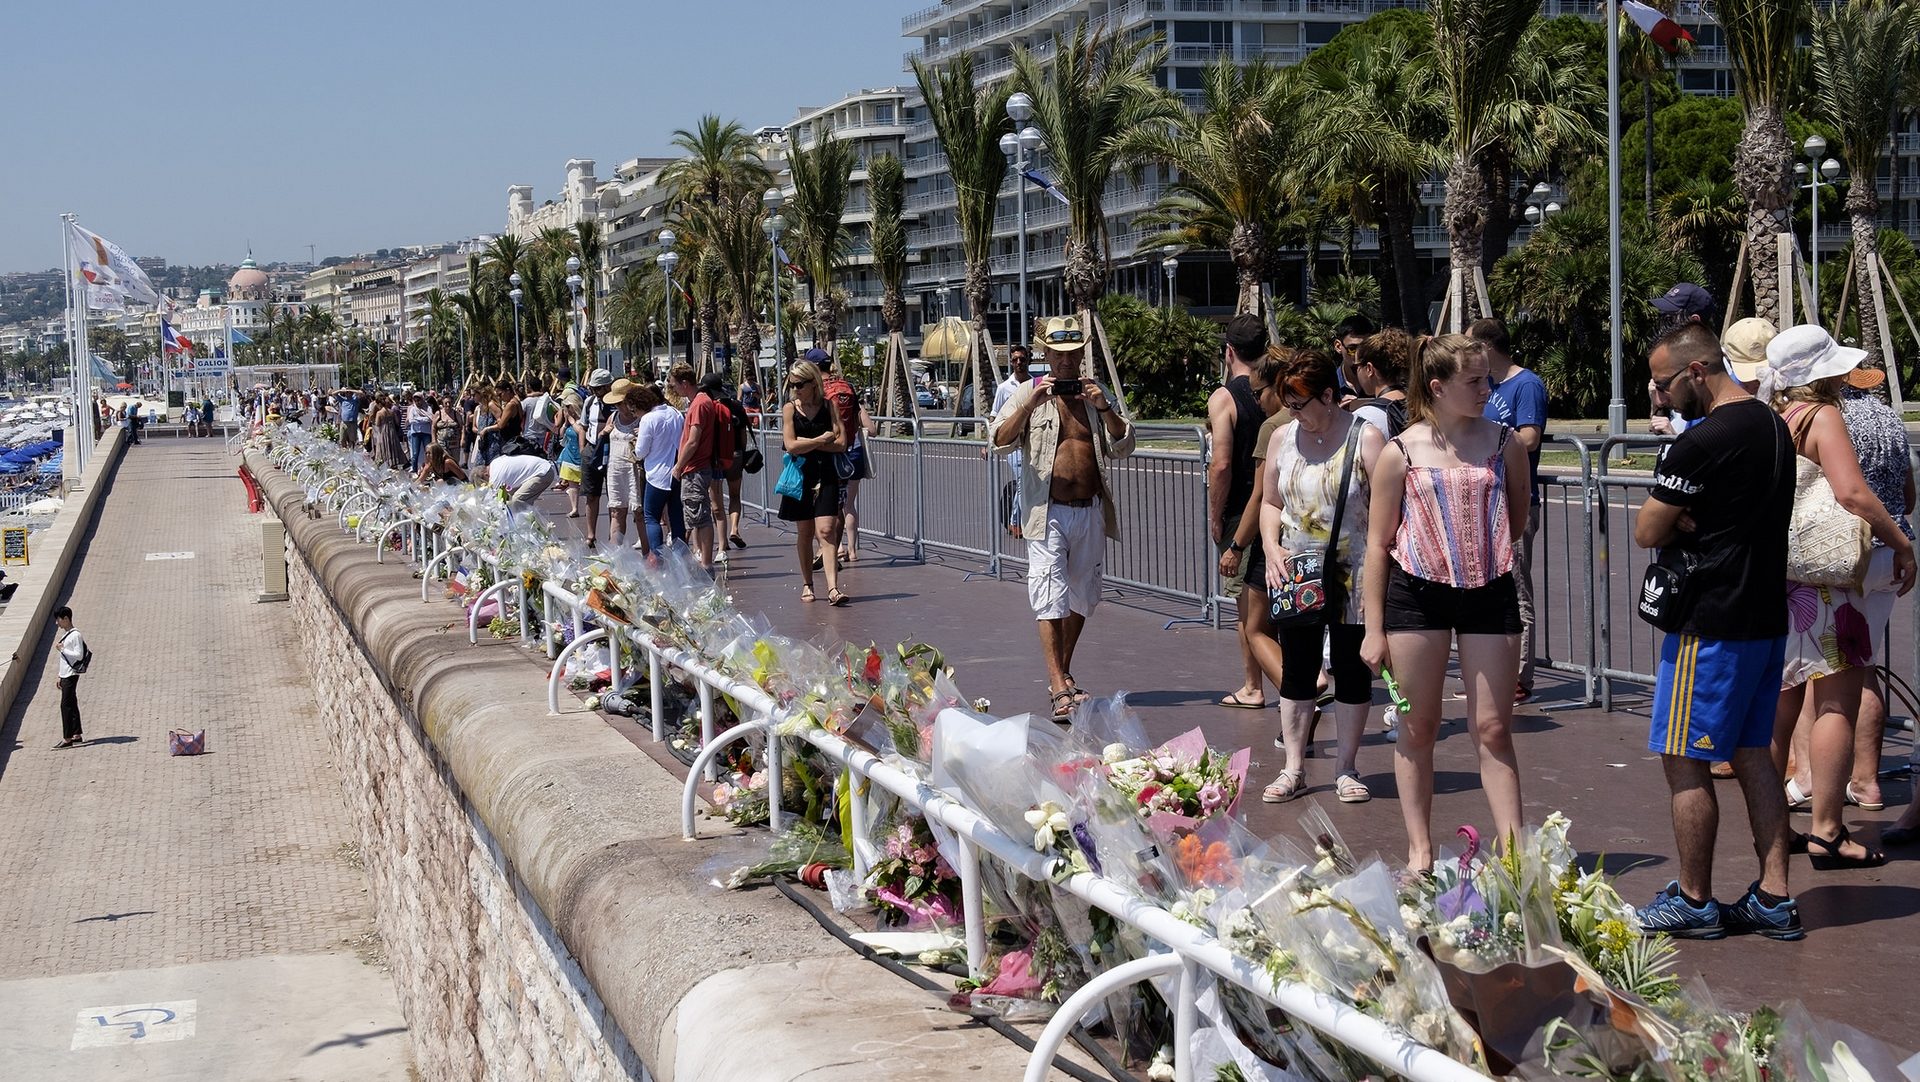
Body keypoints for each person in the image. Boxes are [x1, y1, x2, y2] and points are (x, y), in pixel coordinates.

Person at [1628, 323, 1803, 940]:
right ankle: (1774, 895)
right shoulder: (1773, 425)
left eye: (1663, 383)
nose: (1659, 395)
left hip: (1711, 622)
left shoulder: (1699, 443)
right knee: (1755, 755)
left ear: (1696, 371)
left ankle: (1696, 900)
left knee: (1683, 758)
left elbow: (1648, 530)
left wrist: (1680, 524)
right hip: (1763, 615)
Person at [1361, 333, 1529, 871]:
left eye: (1487, 378)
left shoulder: (1506, 444)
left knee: (1493, 727)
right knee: (1417, 724)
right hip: (1417, 596)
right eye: (1475, 380)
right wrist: (1372, 628)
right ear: (1437, 387)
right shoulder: (1400, 451)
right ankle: (1420, 850)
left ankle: (1516, 854)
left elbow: (1518, 520)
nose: (1488, 388)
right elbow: (1377, 542)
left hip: (1490, 590)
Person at [1761, 326, 1914, 871]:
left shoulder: (1772, 418)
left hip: (1784, 576)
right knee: (1836, 703)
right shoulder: (1822, 416)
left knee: (1781, 702)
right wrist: (1901, 543)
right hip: (1832, 579)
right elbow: (1851, 491)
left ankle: (1773, 825)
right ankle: (1827, 830)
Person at [989, 315, 1136, 722]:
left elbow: (1123, 445)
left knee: (1082, 598)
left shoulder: (1094, 393)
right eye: (1059, 354)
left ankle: (1064, 672)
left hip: (1088, 511)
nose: (1067, 362)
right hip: (1046, 513)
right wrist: (1028, 408)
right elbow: (998, 441)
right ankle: (1057, 685)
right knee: (1048, 595)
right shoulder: (1027, 392)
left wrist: (1103, 407)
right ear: (1046, 354)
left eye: (1074, 354)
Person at [1259, 349, 1385, 805]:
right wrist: (1272, 548)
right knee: (1297, 669)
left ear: (1328, 396)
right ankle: (1293, 766)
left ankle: (1347, 768)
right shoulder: (1283, 439)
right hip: (1297, 571)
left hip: (1355, 573)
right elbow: (1271, 502)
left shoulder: (1365, 438)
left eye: (1299, 404)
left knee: (1352, 671)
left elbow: (1386, 512)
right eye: (1287, 405)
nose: (1292, 414)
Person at [1468, 318, 1548, 704]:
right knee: (1485, 587)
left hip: (1514, 497)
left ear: (1486, 348)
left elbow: (1530, 437)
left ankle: (1519, 676)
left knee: (1516, 588)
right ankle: (1490, 670)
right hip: (1484, 498)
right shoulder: (1488, 386)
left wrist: (1490, 439)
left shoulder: (1525, 384)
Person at [1209, 315, 1273, 711]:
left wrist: (1216, 516)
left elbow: (1222, 464)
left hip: (1241, 511)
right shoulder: (1277, 389)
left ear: (1229, 351)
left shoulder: (1225, 397)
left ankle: (1254, 685)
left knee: (1247, 608)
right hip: (1279, 506)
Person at [779, 359, 849, 604]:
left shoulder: (829, 406)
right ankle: (807, 584)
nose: (795, 389)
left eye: (800, 384)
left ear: (813, 383)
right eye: (792, 384)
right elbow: (790, 445)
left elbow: (842, 443)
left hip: (826, 474)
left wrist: (809, 445)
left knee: (827, 530)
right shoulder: (789, 409)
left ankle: (833, 588)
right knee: (805, 532)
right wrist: (821, 440)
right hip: (800, 476)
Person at [672, 367, 735, 569]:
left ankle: (706, 563)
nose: (673, 389)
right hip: (697, 467)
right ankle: (702, 558)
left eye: (674, 384)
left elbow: (693, 440)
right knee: (697, 515)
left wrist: (679, 466)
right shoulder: (701, 402)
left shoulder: (699, 404)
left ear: (684, 383)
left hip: (695, 467)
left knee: (700, 515)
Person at [829, 360, 878, 565]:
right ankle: (852, 550)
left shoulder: (826, 398)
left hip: (836, 453)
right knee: (849, 505)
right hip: (855, 454)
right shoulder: (854, 404)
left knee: (833, 504)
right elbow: (873, 431)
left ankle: (837, 547)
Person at [633, 382, 687, 555]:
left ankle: (657, 557)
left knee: (651, 517)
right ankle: (681, 558)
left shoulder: (648, 419)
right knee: (676, 516)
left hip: (656, 474)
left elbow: (641, 451)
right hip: (676, 470)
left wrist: (635, 445)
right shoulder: (676, 413)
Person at [991, 343, 1036, 539]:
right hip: (1013, 445)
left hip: (1031, 443)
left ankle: (1030, 520)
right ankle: (1015, 521)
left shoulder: (1036, 384)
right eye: (1015, 360)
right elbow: (994, 417)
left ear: (1028, 361)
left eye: (1022, 359)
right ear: (1011, 363)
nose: (1019, 363)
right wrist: (989, 443)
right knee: (1021, 480)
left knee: (1031, 481)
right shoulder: (1004, 388)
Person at [574, 369, 616, 547]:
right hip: (592, 450)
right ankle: (591, 535)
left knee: (615, 497)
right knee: (591, 495)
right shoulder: (590, 402)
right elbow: (582, 426)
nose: (595, 392)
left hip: (613, 450)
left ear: (608, 386)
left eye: (598, 388)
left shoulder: (617, 402)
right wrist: (583, 449)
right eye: (593, 388)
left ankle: (613, 539)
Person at [603, 379, 643, 549]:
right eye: (616, 404)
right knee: (616, 511)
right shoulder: (613, 417)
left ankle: (648, 553)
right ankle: (615, 556)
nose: (618, 407)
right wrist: (603, 432)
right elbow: (603, 439)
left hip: (634, 469)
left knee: (639, 512)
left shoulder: (641, 418)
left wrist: (642, 434)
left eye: (621, 403)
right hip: (615, 469)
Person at [1350, 328, 1411, 439]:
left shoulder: (1363, 418)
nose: (1356, 373)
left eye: (1356, 367)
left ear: (1369, 369)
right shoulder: (1423, 405)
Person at [719, 381, 753, 551]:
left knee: (716, 500)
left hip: (717, 457)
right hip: (735, 454)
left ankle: (721, 539)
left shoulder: (714, 407)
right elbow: (743, 434)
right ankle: (734, 529)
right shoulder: (737, 407)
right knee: (734, 496)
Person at [53, 606, 86, 749]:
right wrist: (60, 675)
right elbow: (63, 658)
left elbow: (78, 655)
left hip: (71, 674)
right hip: (66, 674)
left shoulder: (75, 635)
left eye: (59, 619)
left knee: (65, 705)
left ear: (66, 618)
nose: (57, 623)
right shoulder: (67, 634)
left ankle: (67, 739)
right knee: (71, 703)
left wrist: (62, 649)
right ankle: (77, 734)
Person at [487, 452, 556, 511]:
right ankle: (521, 519)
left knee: (518, 500)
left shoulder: (495, 477)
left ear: (485, 475)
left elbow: (496, 500)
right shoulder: (494, 462)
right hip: (540, 467)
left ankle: (523, 523)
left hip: (542, 472)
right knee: (511, 498)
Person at [1330, 315, 1376, 401]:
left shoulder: (1380, 385)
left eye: (1365, 349)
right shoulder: (1328, 386)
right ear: (1338, 346)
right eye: (1352, 349)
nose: (1359, 356)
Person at [405, 393, 434, 471]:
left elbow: (430, 418)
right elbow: (411, 420)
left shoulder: (428, 408)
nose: (417, 402)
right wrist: (423, 419)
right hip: (415, 433)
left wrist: (417, 419)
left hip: (426, 432)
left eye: (419, 400)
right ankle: (414, 470)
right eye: (415, 400)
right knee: (415, 453)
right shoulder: (413, 409)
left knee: (428, 452)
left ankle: (429, 469)